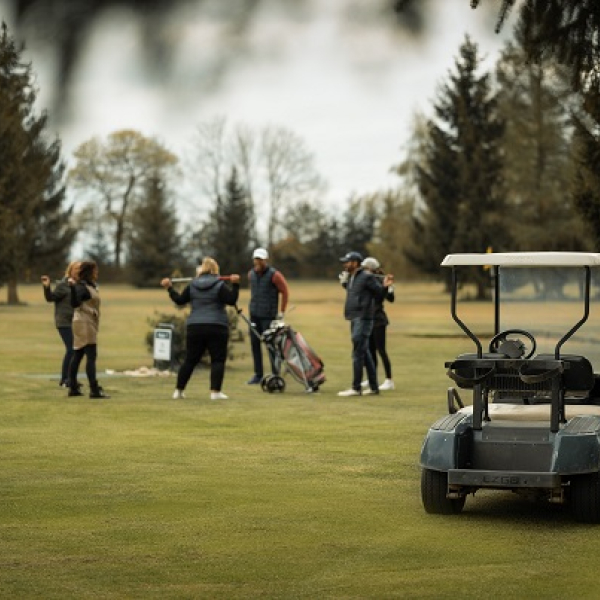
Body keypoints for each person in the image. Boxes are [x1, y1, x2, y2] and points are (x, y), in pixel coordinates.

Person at [161, 257, 240, 400]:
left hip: (195, 326)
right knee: (217, 360)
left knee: (190, 360)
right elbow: (231, 300)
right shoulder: (219, 285)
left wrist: (169, 288)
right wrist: (235, 285)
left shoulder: (192, 285)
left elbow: (180, 300)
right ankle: (215, 392)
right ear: (215, 270)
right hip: (217, 326)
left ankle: (178, 391)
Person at [337, 251, 394, 397]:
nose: (345, 264)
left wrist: (386, 286)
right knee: (365, 352)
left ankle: (356, 388)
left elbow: (380, 294)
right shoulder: (352, 277)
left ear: (356, 262)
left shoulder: (366, 276)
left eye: (348, 262)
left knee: (358, 353)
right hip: (354, 317)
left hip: (364, 318)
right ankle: (374, 387)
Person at [67, 260, 110, 399]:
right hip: (84, 322)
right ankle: (94, 389)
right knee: (91, 355)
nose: (97, 273)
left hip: (85, 321)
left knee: (78, 354)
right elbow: (74, 303)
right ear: (90, 272)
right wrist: (73, 288)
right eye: (95, 271)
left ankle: (73, 387)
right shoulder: (82, 287)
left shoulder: (89, 285)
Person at [246, 247, 289, 384]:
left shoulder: (274, 275)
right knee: (255, 344)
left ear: (265, 260)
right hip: (254, 315)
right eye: (256, 259)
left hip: (268, 316)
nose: (257, 262)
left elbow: (285, 292)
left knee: (270, 345)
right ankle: (258, 374)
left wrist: (281, 311)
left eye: (260, 259)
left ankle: (275, 374)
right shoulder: (251, 274)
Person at [41, 261, 80, 388]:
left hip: (75, 321)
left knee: (76, 351)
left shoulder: (79, 285)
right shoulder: (63, 285)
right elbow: (50, 298)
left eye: (80, 269)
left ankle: (72, 379)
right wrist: (47, 287)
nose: (78, 271)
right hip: (63, 322)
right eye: (76, 269)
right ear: (70, 270)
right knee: (71, 350)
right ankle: (64, 379)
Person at [360, 257, 395, 391]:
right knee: (370, 351)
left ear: (372, 268)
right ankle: (371, 378)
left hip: (379, 320)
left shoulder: (380, 280)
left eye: (365, 268)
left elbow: (390, 299)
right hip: (368, 319)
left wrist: (388, 287)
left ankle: (389, 380)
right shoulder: (367, 281)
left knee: (381, 350)